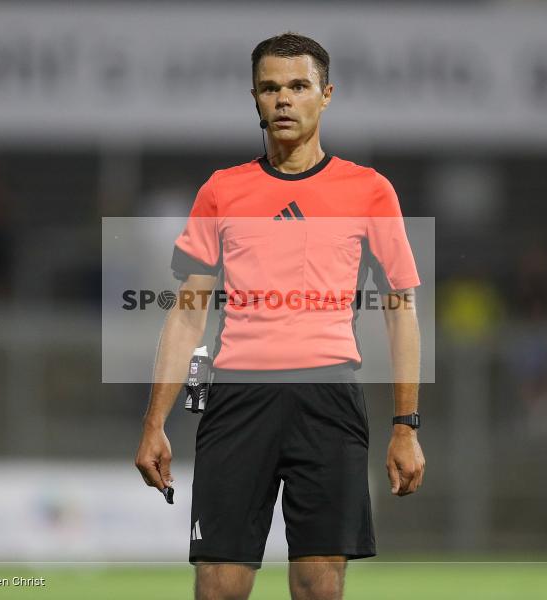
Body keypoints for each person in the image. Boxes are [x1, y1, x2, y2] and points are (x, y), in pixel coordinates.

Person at [135, 32, 425, 600]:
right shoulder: (222, 191)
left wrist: (406, 426)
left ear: (326, 95)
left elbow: (400, 311)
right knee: (219, 586)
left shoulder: (369, 191)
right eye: (270, 88)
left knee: (319, 587)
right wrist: (155, 422)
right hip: (237, 398)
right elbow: (188, 316)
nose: (284, 99)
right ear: (255, 99)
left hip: (328, 399)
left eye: (298, 86)